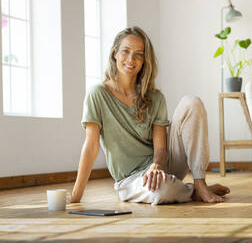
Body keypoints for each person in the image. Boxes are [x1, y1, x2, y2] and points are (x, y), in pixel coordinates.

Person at [71, 26, 230, 205]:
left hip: (163, 165)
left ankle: (200, 183)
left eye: (139, 54)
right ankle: (191, 191)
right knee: (161, 191)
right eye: (125, 51)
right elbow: (91, 146)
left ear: (144, 60)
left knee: (191, 102)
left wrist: (157, 166)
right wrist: (75, 197)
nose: (131, 59)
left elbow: (161, 148)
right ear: (115, 53)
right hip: (131, 179)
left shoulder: (155, 97)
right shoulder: (97, 94)